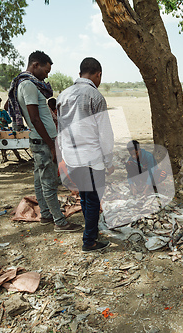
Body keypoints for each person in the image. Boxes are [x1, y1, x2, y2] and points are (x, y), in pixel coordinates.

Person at [8, 50, 81, 232]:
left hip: (40, 140)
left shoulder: (25, 84)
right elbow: (35, 118)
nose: (46, 75)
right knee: (49, 182)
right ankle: (60, 221)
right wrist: (51, 145)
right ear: (35, 65)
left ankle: (47, 214)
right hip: (43, 141)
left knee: (40, 181)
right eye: (46, 71)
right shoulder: (29, 85)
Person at [57, 57, 114, 252]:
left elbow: (60, 128)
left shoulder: (63, 95)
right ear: (98, 74)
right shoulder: (95, 96)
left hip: (72, 157)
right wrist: (109, 160)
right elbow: (105, 133)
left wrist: (64, 156)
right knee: (93, 199)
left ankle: (91, 231)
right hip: (92, 157)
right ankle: (89, 240)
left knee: (84, 195)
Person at [0, 96, 26, 163]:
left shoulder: (3, 112)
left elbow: (9, 121)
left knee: (11, 144)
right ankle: (4, 157)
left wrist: (5, 121)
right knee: (2, 144)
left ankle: (19, 157)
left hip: (6, 130)